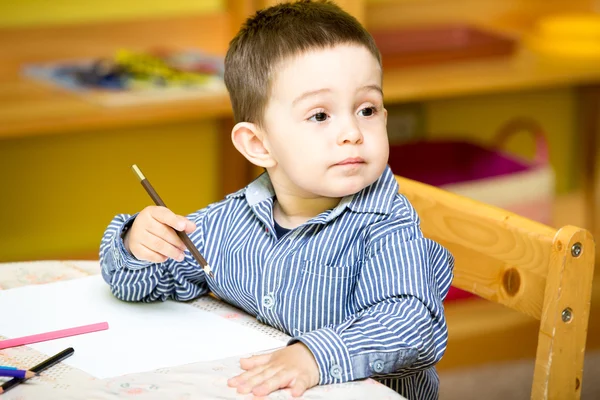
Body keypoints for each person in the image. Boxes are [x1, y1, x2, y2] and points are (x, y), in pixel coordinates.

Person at [99, 1, 454, 398]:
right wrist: (137, 245)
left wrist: (314, 356)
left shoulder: (387, 224)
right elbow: (138, 286)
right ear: (258, 144)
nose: (352, 132)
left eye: (366, 109)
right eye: (320, 115)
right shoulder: (232, 221)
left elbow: (411, 324)